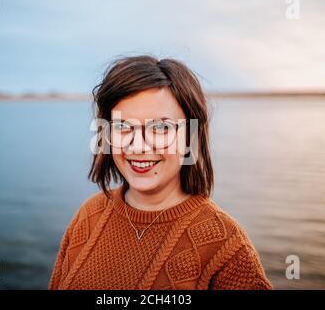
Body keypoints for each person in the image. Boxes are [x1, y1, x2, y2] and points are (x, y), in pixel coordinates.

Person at [49, 55, 272, 290]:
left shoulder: (225, 245)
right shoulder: (89, 215)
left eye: (161, 127)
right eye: (122, 127)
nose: (138, 146)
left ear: (191, 135)